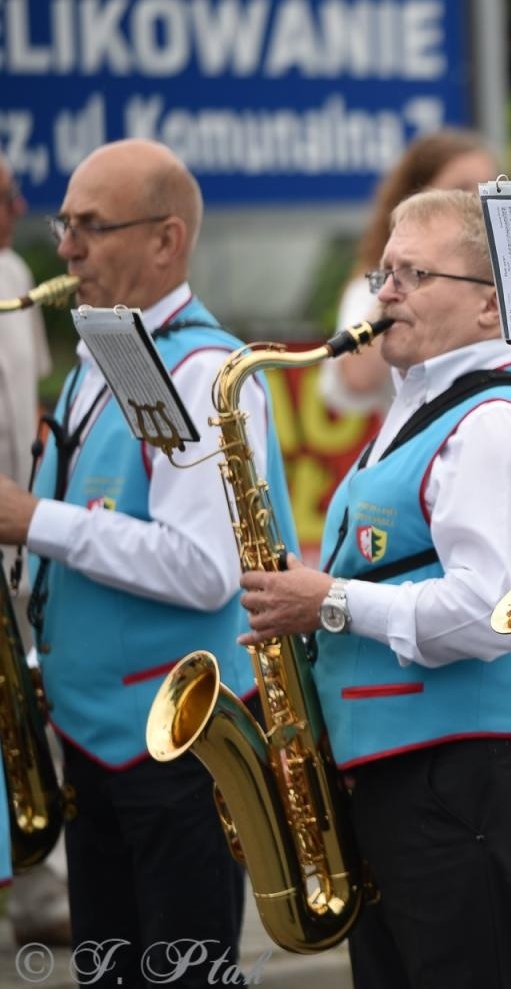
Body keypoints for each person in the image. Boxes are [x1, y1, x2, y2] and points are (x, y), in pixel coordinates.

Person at [240, 187, 511, 989]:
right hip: (410, 773)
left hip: (461, 781)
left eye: (412, 275)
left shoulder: (494, 424)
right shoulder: (421, 405)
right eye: (382, 272)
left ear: (491, 307)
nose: (383, 294)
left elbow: (493, 612)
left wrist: (329, 601)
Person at [0, 139, 290, 982]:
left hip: (171, 750)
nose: (66, 248)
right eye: (65, 223)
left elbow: (204, 568)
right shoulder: (106, 351)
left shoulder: (202, 371)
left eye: (92, 226)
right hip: (98, 740)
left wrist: (33, 519)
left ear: (166, 240)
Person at [0, 155, 72, 948]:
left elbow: (30, 401)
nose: (17, 208)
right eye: (2, 197)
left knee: (30, 710)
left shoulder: (15, 272)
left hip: (20, 528)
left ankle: (41, 891)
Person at [320, 130, 499, 416]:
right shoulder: (373, 286)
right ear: (417, 199)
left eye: (487, 189)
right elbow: (354, 381)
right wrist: (402, 283)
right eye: (461, 190)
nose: (477, 202)